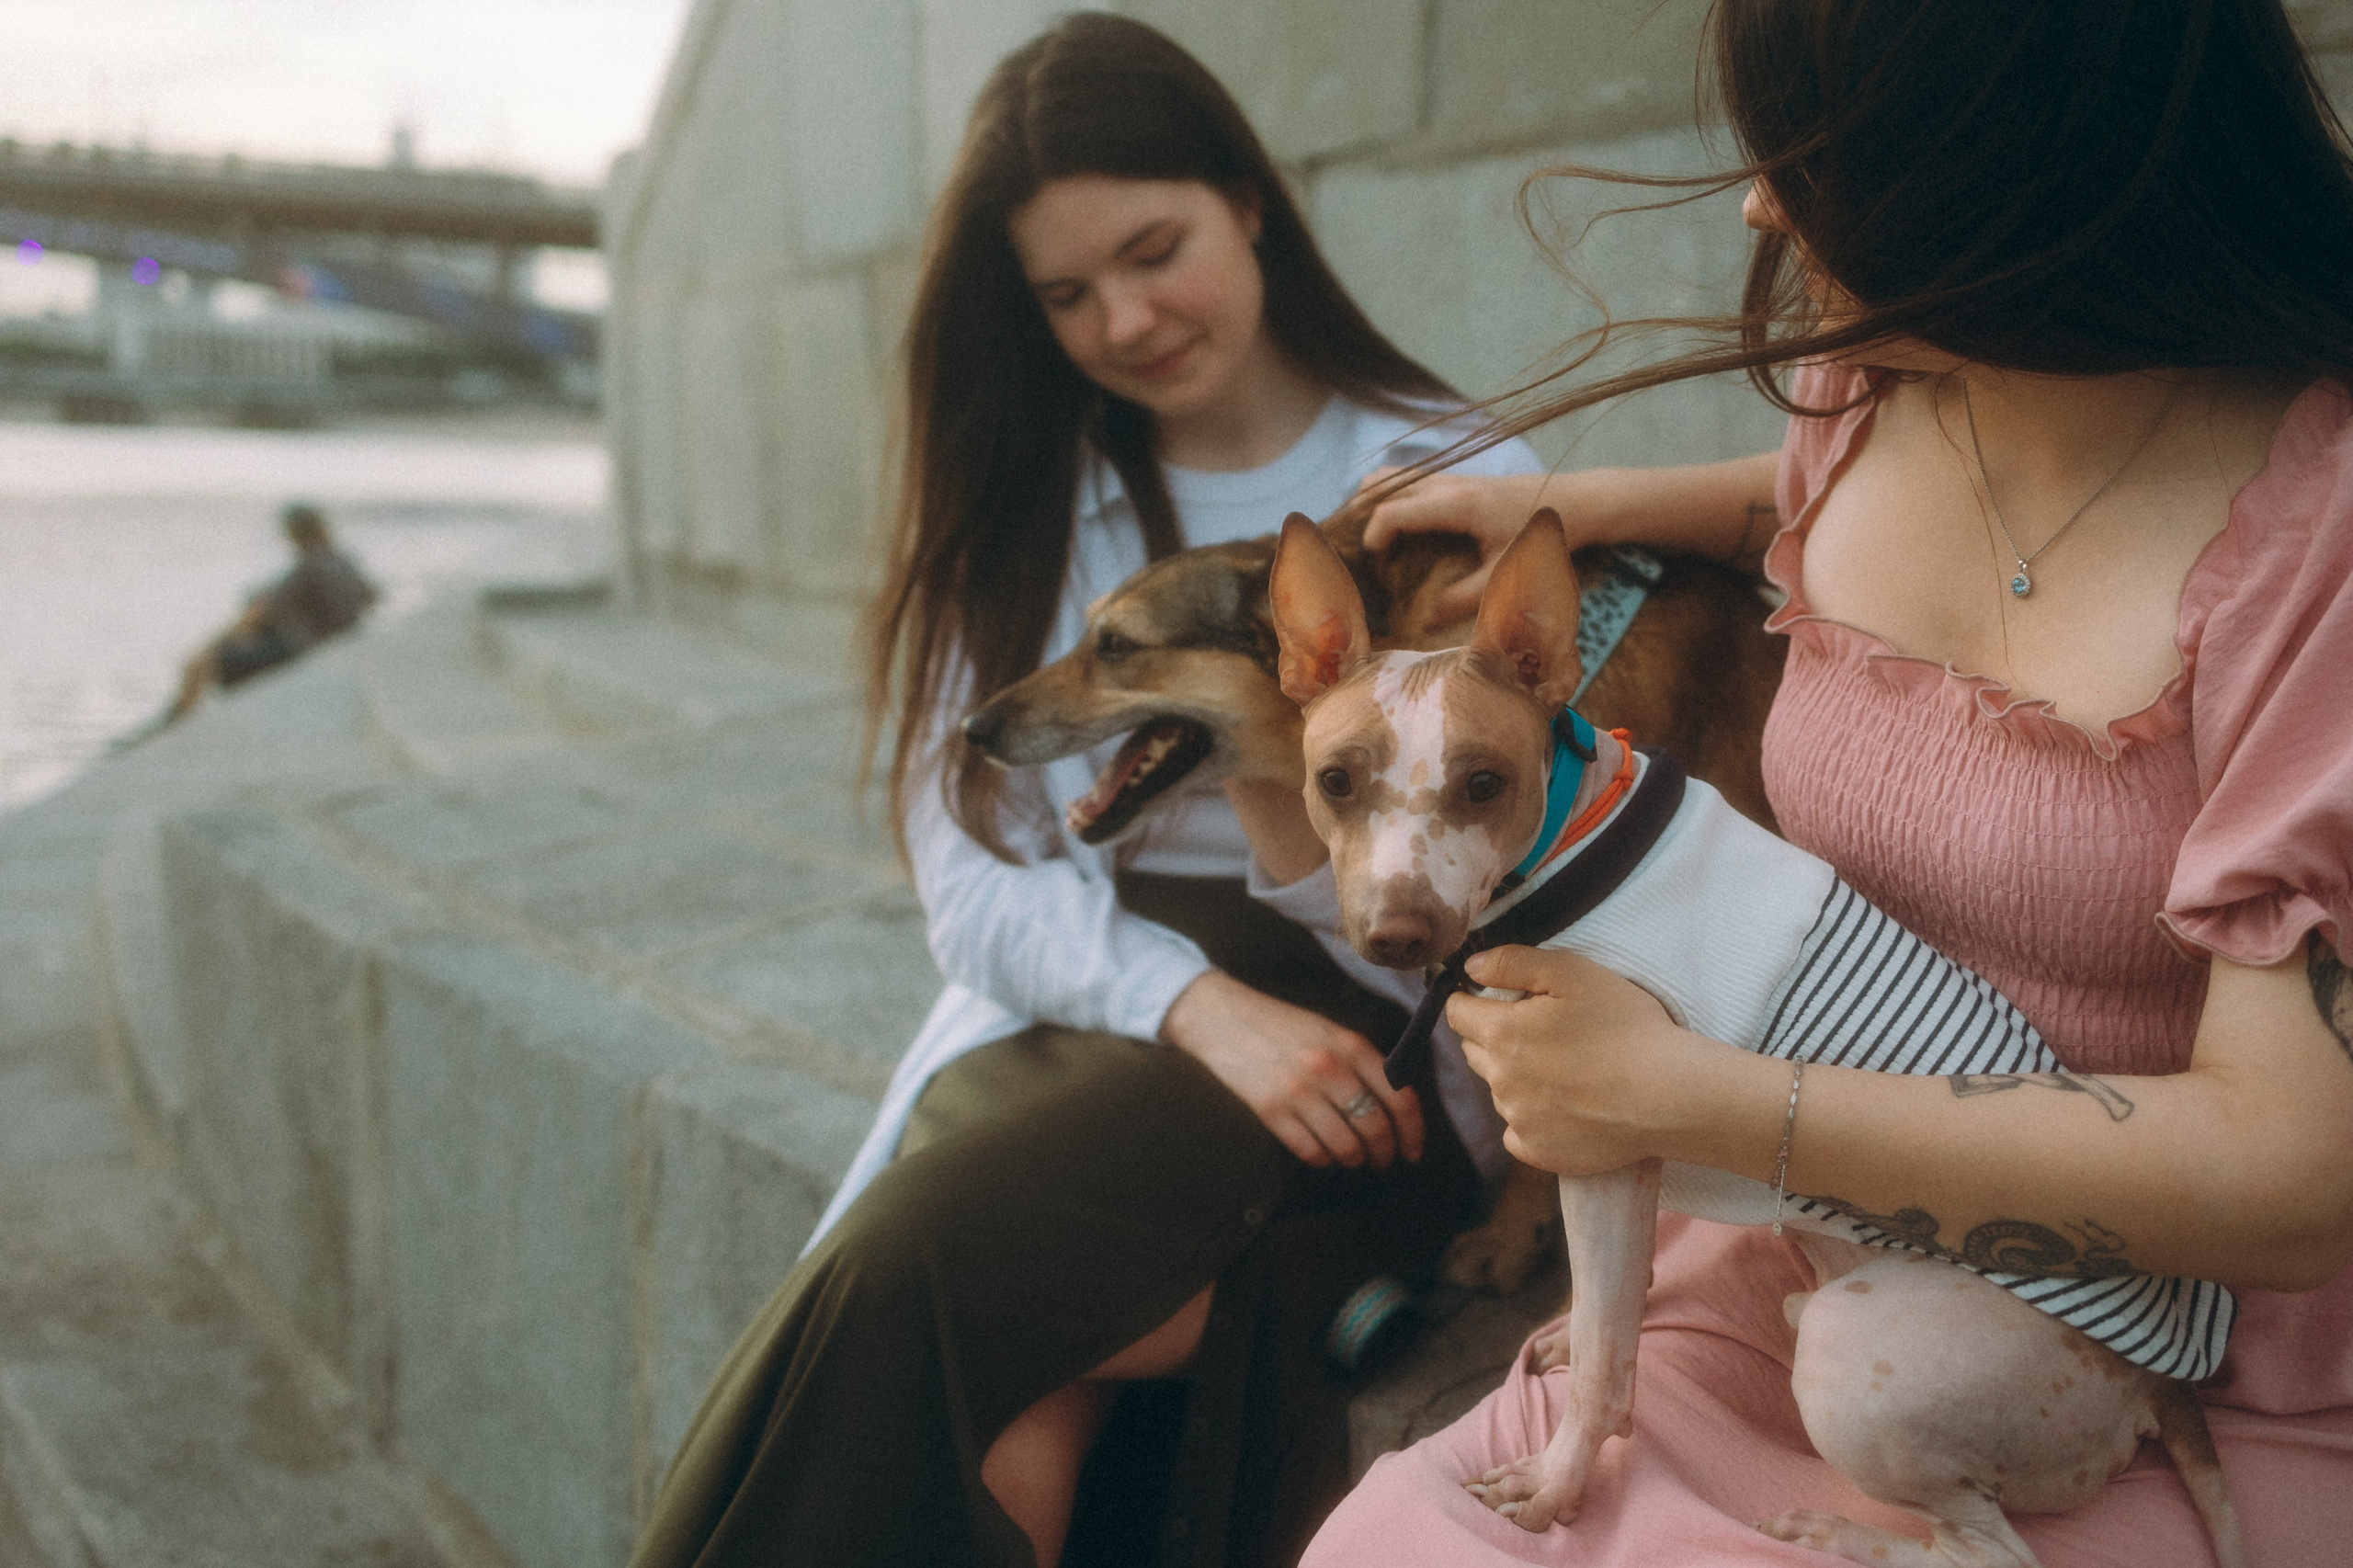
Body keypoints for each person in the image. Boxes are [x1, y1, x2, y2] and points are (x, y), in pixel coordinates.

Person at [1298, 1, 2353, 1562]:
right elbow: (1789, 504)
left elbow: (2296, 1177)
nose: (1758, 205)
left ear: (2039, 158)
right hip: (1807, 1255)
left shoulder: (2318, 547)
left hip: (2173, 1341)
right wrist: (1581, 502)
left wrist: (1692, 1098)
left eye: (1819, 158)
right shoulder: (1870, 394)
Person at [625, 17, 1543, 1568]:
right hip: (1099, 1007)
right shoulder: (1034, 501)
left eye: (1154, 247)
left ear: (1249, 199)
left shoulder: (1446, 480)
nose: (1126, 317)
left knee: (918, 1267)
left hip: (1372, 1020)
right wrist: (1192, 1005)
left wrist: (1274, 806)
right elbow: (971, 877)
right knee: (997, 1384)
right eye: (1066, 293)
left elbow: (1503, 868)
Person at [165, 502, 378, 721]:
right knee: (226, 645)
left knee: (207, 660)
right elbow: (372, 597)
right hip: (336, 642)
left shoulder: (308, 566)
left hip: (304, 648)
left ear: (295, 533)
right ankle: (182, 709)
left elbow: (263, 612)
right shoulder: (343, 562)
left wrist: (219, 641)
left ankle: (180, 715)